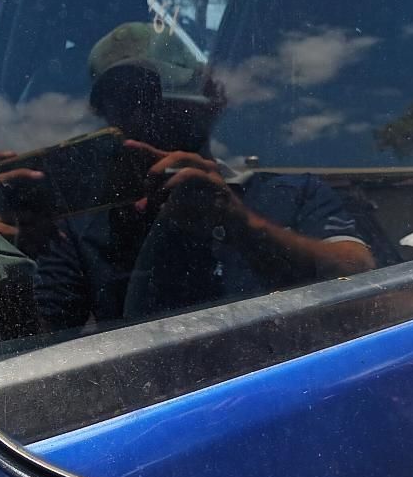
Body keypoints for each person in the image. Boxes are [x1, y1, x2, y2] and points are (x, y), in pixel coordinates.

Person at [32, 22, 375, 332]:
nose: (140, 116)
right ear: (105, 119)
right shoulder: (83, 229)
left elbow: (359, 283)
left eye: (156, 96)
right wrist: (9, 246)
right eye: (121, 102)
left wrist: (237, 221)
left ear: (211, 103)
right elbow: (38, 346)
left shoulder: (293, 195)